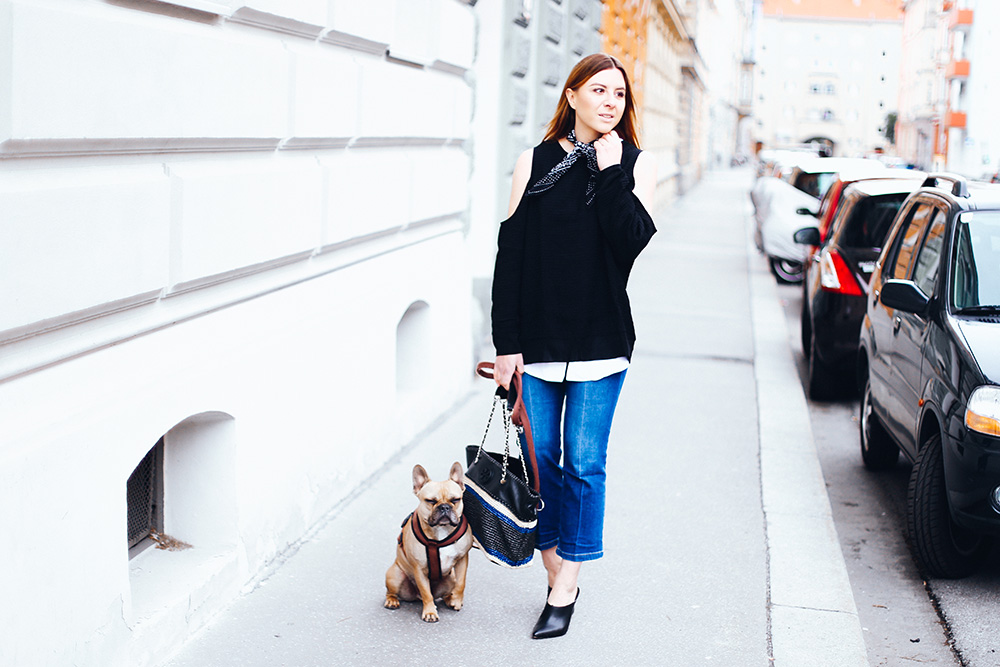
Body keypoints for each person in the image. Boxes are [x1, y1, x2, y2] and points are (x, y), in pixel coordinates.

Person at [490, 53, 657, 639]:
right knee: (543, 466)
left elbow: (630, 241)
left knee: (584, 464)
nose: (611, 101)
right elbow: (509, 259)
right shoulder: (531, 163)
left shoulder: (636, 166)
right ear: (573, 95)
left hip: (601, 341)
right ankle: (558, 559)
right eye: (600, 90)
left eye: (621, 94)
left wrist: (611, 172)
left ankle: (566, 584)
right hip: (535, 343)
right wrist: (505, 344)